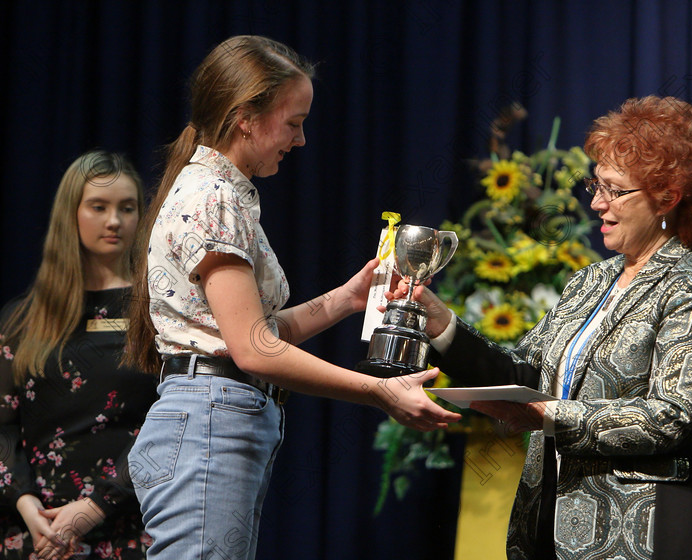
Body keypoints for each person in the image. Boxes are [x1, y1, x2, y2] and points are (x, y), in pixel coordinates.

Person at [122, 35, 460, 559]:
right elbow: (254, 350)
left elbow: (256, 332)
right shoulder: (212, 197)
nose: (300, 140)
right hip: (210, 423)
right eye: (294, 122)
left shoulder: (222, 191)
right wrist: (380, 392)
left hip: (217, 420)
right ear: (245, 118)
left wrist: (347, 299)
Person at [394, 95, 692, 559]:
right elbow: (525, 374)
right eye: (597, 186)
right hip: (552, 521)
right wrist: (440, 322)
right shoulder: (591, 281)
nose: (596, 203)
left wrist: (550, 415)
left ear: (667, 197)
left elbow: (671, 416)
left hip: (647, 529)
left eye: (615, 190)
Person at [0, 151, 157, 559]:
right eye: (98, 207)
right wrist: (26, 504)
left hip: (133, 527)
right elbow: (2, 426)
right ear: (71, 213)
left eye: (127, 208)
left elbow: (172, 427)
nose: (114, 221)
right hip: (41, 535)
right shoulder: (20, 320)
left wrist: (97, 505)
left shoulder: (159, 315)